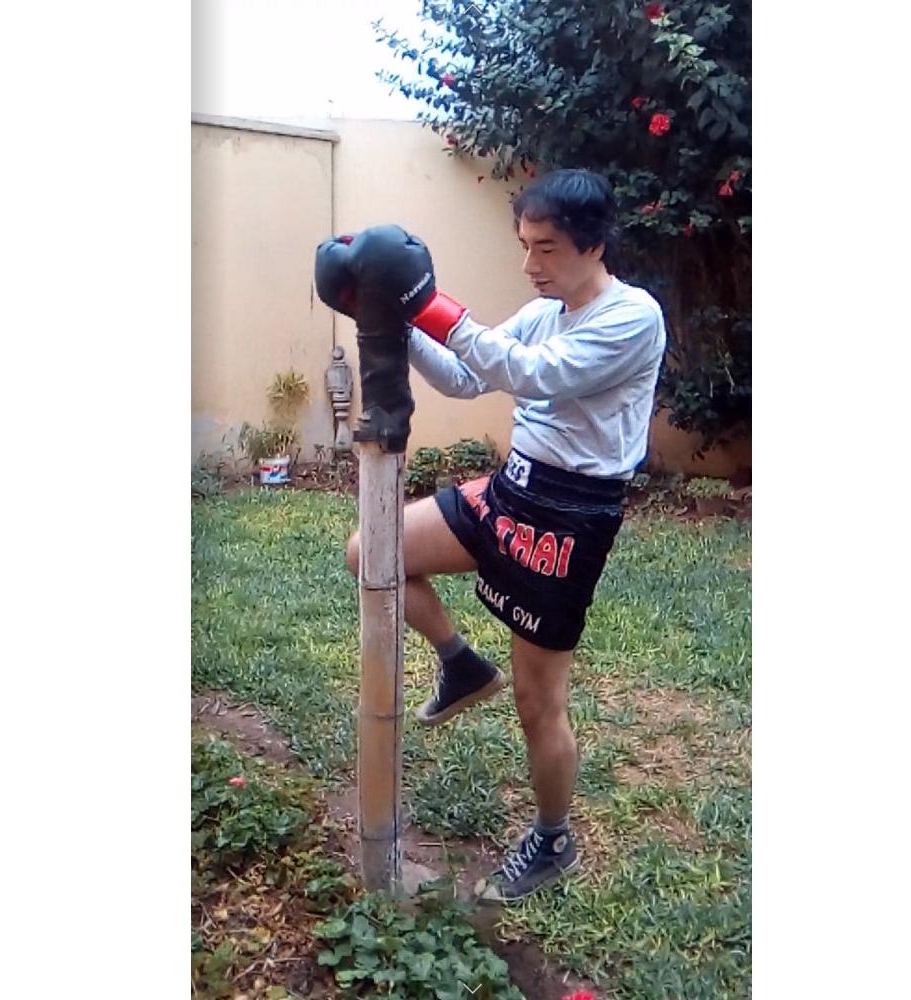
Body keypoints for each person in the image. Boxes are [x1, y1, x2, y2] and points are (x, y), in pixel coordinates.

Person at [328, 168, 666, 903]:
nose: (530, 264)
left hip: (570, 515)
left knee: (537, 702)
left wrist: (429, 302)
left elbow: (529, 374)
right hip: (512, 487)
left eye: (546, 248)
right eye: (524, 246)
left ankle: (552, 838)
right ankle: (460, 664)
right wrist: (390, 317)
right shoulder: (544, 311)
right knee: (371, 551)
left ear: (593, 244)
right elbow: (463, 376)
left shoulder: (632, 317)